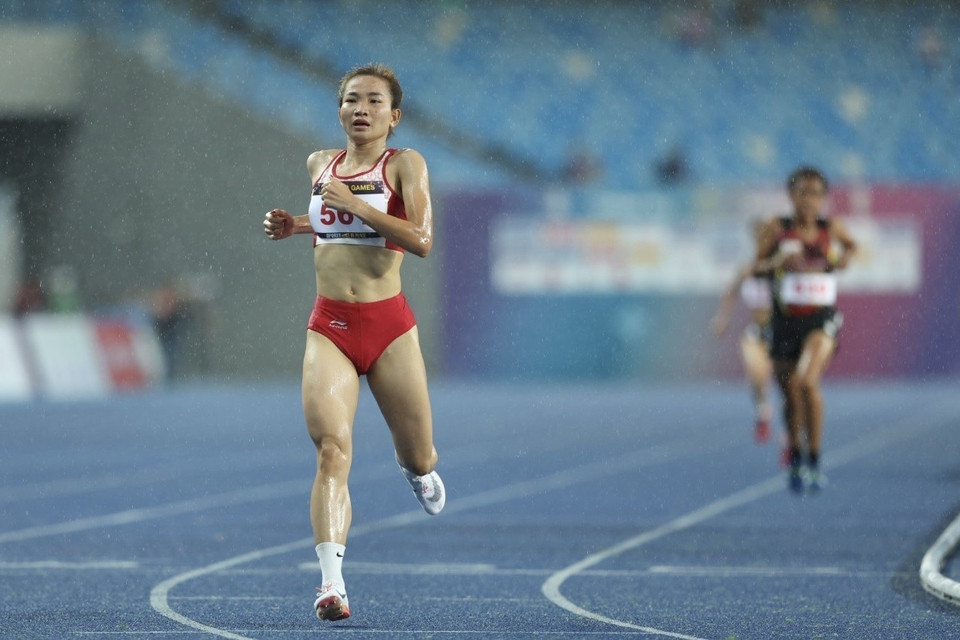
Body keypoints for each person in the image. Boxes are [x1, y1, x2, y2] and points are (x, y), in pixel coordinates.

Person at [263, 63, 445, 622]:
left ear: (394, 116)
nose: (359, 109)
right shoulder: (321, 163)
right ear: (339, 110)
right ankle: (331, 584)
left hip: (389, 328)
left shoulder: (405, 164)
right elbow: (332, 223)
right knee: (331, 450)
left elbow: (420, 240)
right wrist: (294, 225)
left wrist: (355, 200)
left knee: (420, 454)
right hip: (331, 327)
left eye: (372, 101)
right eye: (350, 100)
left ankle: (417, 471)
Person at [754, 166, 856, 494]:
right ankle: (796, 454)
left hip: (820, 318)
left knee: (807, 381)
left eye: (815, 194)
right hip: (785, 321)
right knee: (789, 394)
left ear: (824, 199)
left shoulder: (831, 229)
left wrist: (840, 259)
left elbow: (851, 250)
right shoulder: (777, 229)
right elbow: (756, 268)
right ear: (791, 196)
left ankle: (814, 459)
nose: (808, 200)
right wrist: (777, 263)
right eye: (802, 193)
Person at [710, 221, 774, 445]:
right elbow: (730, 292)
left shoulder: (781, 267)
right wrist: (722, 317)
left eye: (765, 236)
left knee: (789, 387)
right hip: (757, 331)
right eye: (757, 237)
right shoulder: (746, 270)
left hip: (781, 333)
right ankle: (763, 413)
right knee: (756, 374)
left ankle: (791, 434)